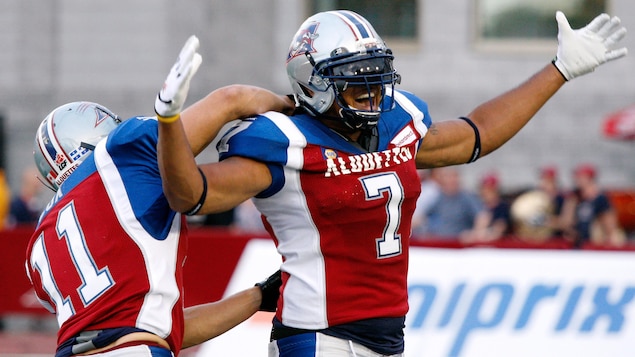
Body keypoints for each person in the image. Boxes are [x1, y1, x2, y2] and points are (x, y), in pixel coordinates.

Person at [156, 10, 628, 356]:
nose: (372, 94)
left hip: (388, 334)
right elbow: (188, 193)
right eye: (355, 82)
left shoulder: (396, 123)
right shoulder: (285, 142)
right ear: (312, 82)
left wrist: (558, 70)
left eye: (376, 78)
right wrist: (172, 122)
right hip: (318, 335)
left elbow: (475, 136)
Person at [25, 36, 293, 357]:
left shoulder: (38, 245)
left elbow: (162, 329)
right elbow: (231, 98)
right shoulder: (119, 158)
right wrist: (297, 107)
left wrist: (258, 296)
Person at [561, 163, 626, 247]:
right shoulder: (575, 197)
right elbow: (567, 221)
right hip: (579, 243)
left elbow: (610, 225)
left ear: (589, 178)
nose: (576, 179)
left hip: (594, 244)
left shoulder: (600, 199)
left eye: (580, 177)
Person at [418, 167, 486, 240]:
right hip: (441, 240)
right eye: (448, 177)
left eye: (453, 177)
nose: (451, 180)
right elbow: (424, 216)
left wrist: (475, 233)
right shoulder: (440, 197)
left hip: (458, 242)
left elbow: (482, 216)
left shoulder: (467, 197)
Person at [462, 172, 512, 244]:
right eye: (484, 189)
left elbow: (498, 230)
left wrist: (477, 235)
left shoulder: (503, 207)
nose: (486, 192)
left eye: (490, 189)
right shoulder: (477, 206)